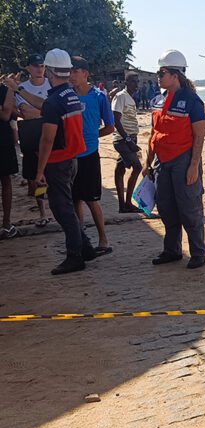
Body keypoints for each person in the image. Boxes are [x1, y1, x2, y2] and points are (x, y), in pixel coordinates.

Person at [144, 50, 205, 269]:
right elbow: (154, 133)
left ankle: (199, 253)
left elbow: (200, 134)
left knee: (189, 208)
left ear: (176, 75)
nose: (158, 77)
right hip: (162, 162)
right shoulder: (158, 100)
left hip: (183, 161)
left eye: (162, 73)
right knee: (166, 207)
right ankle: (172, 250)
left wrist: (193, 167)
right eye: (158, 72)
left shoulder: (192, 101)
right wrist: (148, 162)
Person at [36, 49, 97, 274]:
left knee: (62, 209)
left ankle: (75, 257)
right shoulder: (71, 95)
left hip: (58, 162)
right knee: (67, 208)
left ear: (49, 71)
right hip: (73, 158)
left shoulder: (53, 102)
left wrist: (40, 170)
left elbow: (47, 138)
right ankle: (87, 248)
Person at [69, 56, 115, 254]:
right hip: (71, 155)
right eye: (69, 71)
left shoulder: (98, 96)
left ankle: (103, 240)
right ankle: (80, 239)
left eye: (75, 71)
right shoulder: (68, 95)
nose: (71, 75)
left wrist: (91, 135)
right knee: (75, 199)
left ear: (85, 73)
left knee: (91, 198)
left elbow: (110, 126)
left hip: (89, 153)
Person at [8, 54, 50, 227]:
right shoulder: (22, 87)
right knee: (36, 177)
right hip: (32, 136)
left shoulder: (52, 84)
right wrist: (45, 109)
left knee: (56, 175)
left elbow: (32, 112)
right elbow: (26, 113)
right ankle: (42, 212)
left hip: (50, 135)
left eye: (42, 65)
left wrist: (36, 109)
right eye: (35, 66)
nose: (39, 69)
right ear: (28, 68)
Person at [111, 72, 143, 213]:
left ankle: (122, 205)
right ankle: (127, 203)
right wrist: (128, 140)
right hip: (123, 140)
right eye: (133, 82)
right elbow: (116, 120)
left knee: (120, 169)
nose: (136, 85)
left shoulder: (130, 98)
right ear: (126, 82)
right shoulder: (121, 96)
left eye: (137, 82)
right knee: (137, 167)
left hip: (129, 138)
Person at [0, 72, 18, 239]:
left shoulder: (6, 90)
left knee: (6, 180)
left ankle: (6, 223)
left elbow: (6, 114)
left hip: (3, 141)